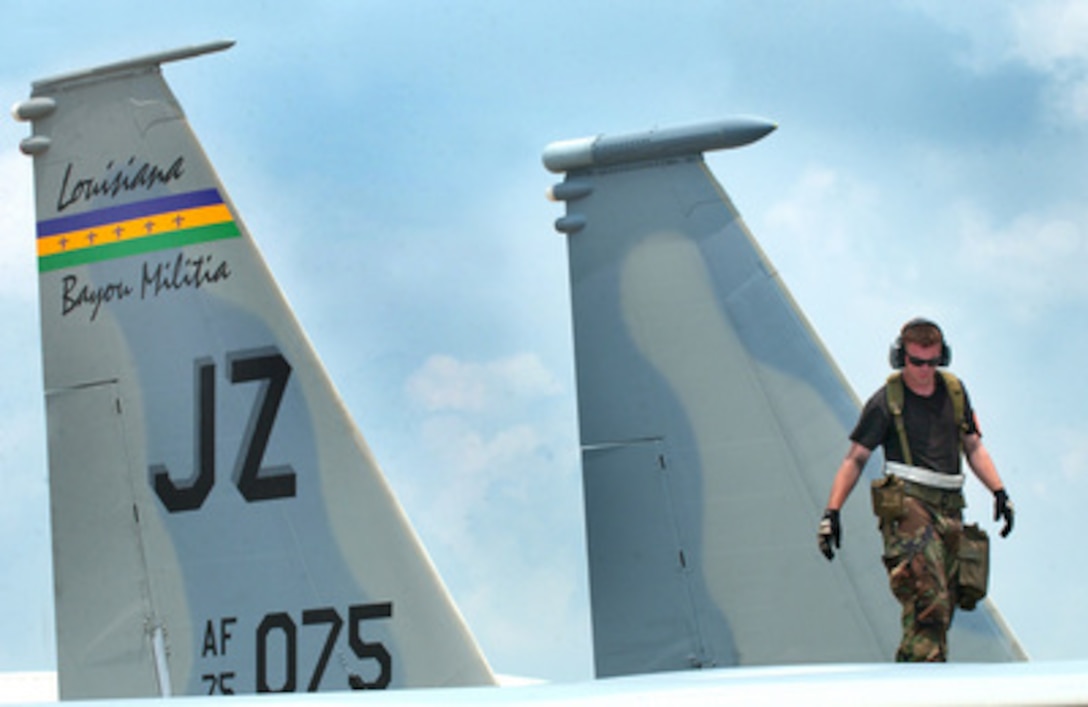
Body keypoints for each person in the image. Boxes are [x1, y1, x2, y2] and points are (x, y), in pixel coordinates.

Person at [816, 318, 1014, 662]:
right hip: (910, 506)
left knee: (947, 603)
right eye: (916, 362)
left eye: (932, 362)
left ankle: (912, 679)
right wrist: (831, 512)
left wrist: (999, 492)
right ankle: (924, 686)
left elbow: (973, 446)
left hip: (950, 507)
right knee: (929, 600)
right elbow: (855, 459)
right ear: (900, 357)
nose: (924, 371)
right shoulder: (885, 402)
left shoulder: (954, 393)